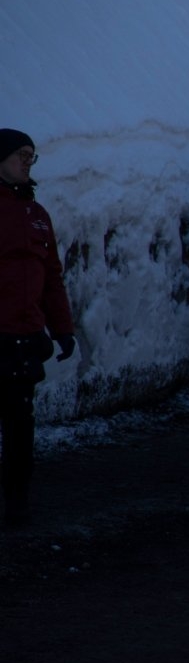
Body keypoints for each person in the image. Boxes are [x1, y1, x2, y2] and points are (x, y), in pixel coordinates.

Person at [0, 129, 75, 528]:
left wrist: (62, 328)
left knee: (20, 424)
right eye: (20, 155)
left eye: (32, 156)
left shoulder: (37, 215)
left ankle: (16, 500)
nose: (27, 162)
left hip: (24, 338)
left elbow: (52, 277)